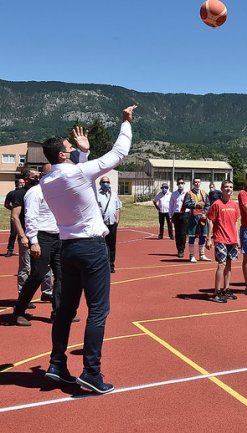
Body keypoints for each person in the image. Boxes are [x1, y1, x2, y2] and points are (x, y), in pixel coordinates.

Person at [40, 104, 137, 394]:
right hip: (92, 248)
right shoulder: (77, 173)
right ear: (62, 155)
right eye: (69, 147)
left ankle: (57, 363)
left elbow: (83, 184)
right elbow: (118, 154)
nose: (72, 147)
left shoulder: (47, 180)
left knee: (66, 309)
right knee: (98, 311)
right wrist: (126, 122)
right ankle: (91, 372)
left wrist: (82, 151)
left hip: (67, 247)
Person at [11, 164, 66, 326]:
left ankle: (58, 312)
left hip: (59, 237)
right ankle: (19, 311)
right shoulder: (35, 193)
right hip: (42, 238)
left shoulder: (59, 192)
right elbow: (30, 218)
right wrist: (33, 241)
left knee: (62, 275)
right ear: (44, 175)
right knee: (38, 275)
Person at [11, 168, 53, 297]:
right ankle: (23, 294)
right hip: (26, 235)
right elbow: (15, 216)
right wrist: (23, 236)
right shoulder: (20, 194)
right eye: (34, 175)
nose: (38, 177)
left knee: (47, 265)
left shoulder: (42, 191)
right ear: (27, 178)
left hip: (41, 234)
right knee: (26, 267)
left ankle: (47, 291)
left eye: (39, 174)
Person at [206, 180, 240, 303]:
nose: (228, 189)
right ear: (221, 188)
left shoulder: (234, 205)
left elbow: (236, 222)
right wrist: (209, 238)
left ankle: (226, 289)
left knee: (229, 264)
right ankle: (216, 292)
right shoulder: (217, 204)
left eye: (230, 187)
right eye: (226, 187)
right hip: (220, 238)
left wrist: (238, 238)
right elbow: (210, 220)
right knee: (222, 264)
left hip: (232, 239)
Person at [97, 176, 122, 273]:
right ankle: (103, 264)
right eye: (103, 182)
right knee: (102, 245)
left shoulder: (114, 195)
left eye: (107, 182)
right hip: (102, 224)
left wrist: (117, 220)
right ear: (100, 183)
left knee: (112, 245)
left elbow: (118, 207)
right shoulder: (97, 195)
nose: (105, 183)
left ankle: (111, 265)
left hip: (112, 223)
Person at [183, 178, 211, 263]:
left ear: (200, 183)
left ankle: (202, 255)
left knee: (203, 235)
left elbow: (208, 205)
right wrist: (196, 204)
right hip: (193, 217)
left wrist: (205, 213)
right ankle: (192, 255)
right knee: (192, 236)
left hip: (202, 217)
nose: (197, 183)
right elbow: (186, 204)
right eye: (195, 182)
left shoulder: (204, 193)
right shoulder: (189, 193)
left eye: (198, 182)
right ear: (193, 183)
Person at [4, 178, 24, 257]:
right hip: (15, 217)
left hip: (25, 217)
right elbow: (6, 204)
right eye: (20, 182)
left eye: (23, 182)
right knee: (13, 234)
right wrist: (13, 209)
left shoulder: (27, 192)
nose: (22, 184)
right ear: (16, 183)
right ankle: (10, 250)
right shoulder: (11, 193)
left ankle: (25, 250)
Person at [169, 178, 188, 258]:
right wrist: (170, 216)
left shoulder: (187, 193)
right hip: (176, 214)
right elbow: (171, 206)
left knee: (183, 233)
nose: (181, 184)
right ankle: (178, 249)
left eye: (182, 183)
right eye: (179, 183)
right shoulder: (173, 194)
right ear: (177, 184)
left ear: (184, 184)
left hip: (185, 214)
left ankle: (182, 249)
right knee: (177, 233)